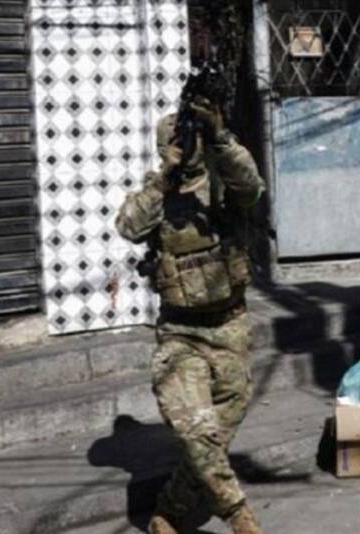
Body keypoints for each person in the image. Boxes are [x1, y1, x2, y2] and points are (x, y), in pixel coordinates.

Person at [115, 92, 264, 534]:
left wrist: (220, 136)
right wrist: (164, 176)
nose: (183, 148)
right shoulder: (157, 191)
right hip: (180, 334)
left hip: (230, 328)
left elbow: (252, 187)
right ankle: (238, 512)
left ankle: (170, 512)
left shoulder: (223, 183)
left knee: (214, 435)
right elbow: (129, 226)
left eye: (187, 139)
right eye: (173, 142)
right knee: (197, 432)